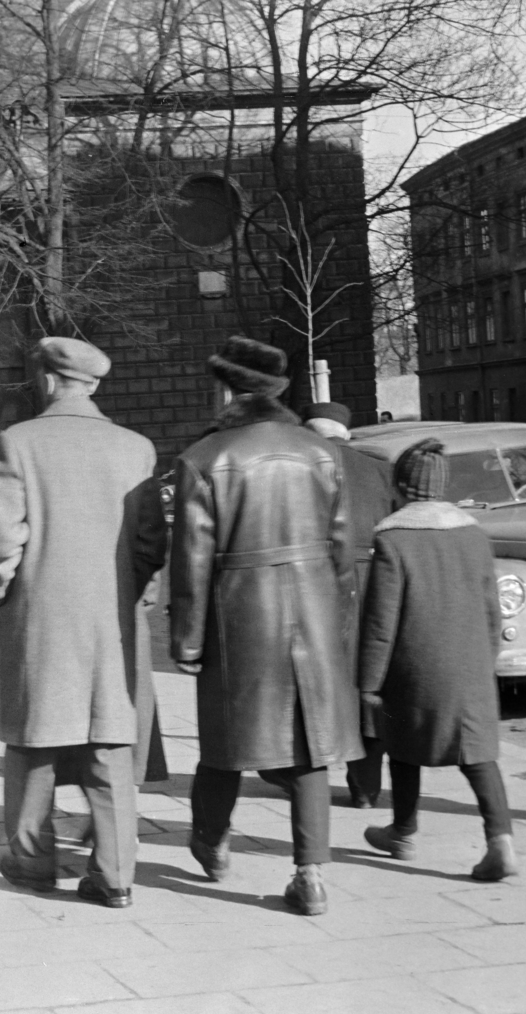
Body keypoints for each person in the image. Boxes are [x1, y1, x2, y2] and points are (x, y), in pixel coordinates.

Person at [170, 338, 361, 916]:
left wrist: (188, 640)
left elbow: (192, 561)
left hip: (239, 613)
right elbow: (341, 549)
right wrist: (339, 625)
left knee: (225, 742)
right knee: (307, 747)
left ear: (227, 388)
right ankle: (310, 872)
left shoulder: (204, 458)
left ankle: (211, 842)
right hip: (313, 609)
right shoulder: (319, 452)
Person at [0, 337, 167, 909]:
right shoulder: (135, 448)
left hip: (43, 613)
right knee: (110, 737)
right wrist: (132, 596)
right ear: (92, 385)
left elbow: (1, 540)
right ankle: (114, 874)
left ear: (45, 380)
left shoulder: (17, 444)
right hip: (112, 616)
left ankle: (33, 859)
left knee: (36, 736)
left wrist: (0, 595)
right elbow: (149, 542)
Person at [358, 439, 520, 880]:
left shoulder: (393, 539)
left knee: (404, 747)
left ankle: (404, 831)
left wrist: (369, 681)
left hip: (415, 666)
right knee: (479, 756)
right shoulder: (472, 534)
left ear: (401, 486)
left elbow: (380, 621)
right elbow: (492, 609)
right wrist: (487, 659)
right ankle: (499, 837)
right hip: (470, 664)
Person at [302, 401, 399, 808]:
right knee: (368, 681)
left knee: (317, 681)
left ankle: (306, 781)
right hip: (371, 583)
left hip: (316, 582)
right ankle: (365, 787)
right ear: (346, 432)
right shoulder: (380, 468)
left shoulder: (299, 465)